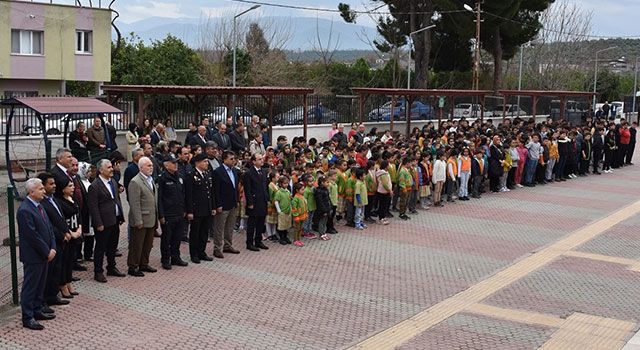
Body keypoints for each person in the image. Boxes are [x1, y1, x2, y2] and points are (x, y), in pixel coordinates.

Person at [17, 178, 57, 330]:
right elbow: (32, 236)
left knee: (40, 285)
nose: (44, 191)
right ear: (31, 192)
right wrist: (47, 251)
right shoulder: (25, 210)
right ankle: (27, 317)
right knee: (30, 286)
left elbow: (48, 228)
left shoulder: (40, 206)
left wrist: (53, 247)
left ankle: (37, 309)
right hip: (34, 256)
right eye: (40, 189)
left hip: (45, 253)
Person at [88, 159, 126, 283]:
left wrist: (120, 215)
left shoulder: (113, 181)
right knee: (100, 247)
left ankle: (111, 267)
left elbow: (117, 199)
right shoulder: (95, 186)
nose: (111, 169)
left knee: (112, 246)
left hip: (114, 220)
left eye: (111, 167)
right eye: (109, 167)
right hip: (103, 223)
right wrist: (98, 223)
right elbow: (93, 207)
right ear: (101, 170)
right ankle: (98, 272)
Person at [36, 173, 70, 308]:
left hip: (61, 241)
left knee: (57, 270)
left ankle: (52, 295)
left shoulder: (53, 199)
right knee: (48, 273)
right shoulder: (41, 203)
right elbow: (49, 225)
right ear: (43, 186)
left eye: (54, 183)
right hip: (52, 242)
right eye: (51, 184)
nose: (54, 186)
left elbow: (60, 218)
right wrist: (61, 235)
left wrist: (67, 231)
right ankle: (44, 300)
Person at [126, 157, 158, 277]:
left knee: (148, 244)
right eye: (148, 166)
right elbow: (134, 203)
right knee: (137, 244)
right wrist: (138, 220)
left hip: (151, 218)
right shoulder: (135, 182)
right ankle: (133, 266)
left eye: (151, 165)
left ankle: (144, 264)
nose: (151, 167)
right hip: (141, 219)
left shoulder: (150, 180)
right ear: (141, 168)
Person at [156, 154, 189, 270]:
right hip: (168, 214)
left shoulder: (179, 177)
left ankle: (176, 257)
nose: (176, 165)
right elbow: (159, 198)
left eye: (176, 162)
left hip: (179, 212)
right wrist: (161, 215)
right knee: (166, 238)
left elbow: (184, 195)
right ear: (166, 165)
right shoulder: (161, 178)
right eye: (173, 163)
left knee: (177, 237)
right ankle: (165, 259)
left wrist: (185, 209)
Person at [54, 177, 82, 298]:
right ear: (63, 189)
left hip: (76, 233)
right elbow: (61, 221)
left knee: (71, 259)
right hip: (67, 235)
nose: (73, 188)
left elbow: (78, 214)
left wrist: (80, 228)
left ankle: (69, 282)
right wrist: (71, 233)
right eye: (70, 186)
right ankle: (63, 284)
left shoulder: (73, 199)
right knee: (64, 261)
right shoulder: (59, 202)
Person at [185, 153, 215, 264]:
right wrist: (190, 211)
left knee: (204, 232)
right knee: (195, 233)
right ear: (197, 162)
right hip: (196, 209)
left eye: (207, 161)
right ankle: (194, 254)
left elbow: (210, 193)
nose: (207, 163)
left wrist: (212, 207)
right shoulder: (191, 175)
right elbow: (189, 195)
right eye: (205, 161)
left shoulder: (206, 174)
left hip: (206, 209)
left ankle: (202, 252)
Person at [212, 151, 241, 258]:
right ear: (224, 159)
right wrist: (218, 205)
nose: (234, 161)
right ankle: (217, 248)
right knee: (219, 227)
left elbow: (235, 188)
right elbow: (216, 190)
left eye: (234, 159)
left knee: (230, 226)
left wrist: (237, 200)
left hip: (232, 203)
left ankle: (228, 245)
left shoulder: (234, 171)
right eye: (231, 159)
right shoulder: (218, 172)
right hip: (222, 204)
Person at [243, 154, 270, 252]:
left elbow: (265, 186)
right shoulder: (248, 173)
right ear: (253, 161)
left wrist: (267, 198)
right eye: (259, 159)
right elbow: (247, 190)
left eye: (262, 159)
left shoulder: (263, 171)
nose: (262, 161)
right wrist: (250, 203)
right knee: (252, 224)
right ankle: (249, 243)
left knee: (260, 223)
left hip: (263, 201)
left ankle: (258, 241)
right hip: (254, 202)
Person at [274, 176, 292, 245]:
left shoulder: (287, 191)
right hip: (282, 212)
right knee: (281, 226)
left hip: (288, 211)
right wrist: (279, 211)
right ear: (281, 184)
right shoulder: (279, 192)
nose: (286, 185)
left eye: (287, 183)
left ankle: (285, 237)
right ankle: (281, 238)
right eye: (284, 183)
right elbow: (276, 201)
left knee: (286, 225)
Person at [376, 161, 392, 225]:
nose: (389, 166)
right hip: (383, 192)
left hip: (386, 192)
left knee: (385, 205)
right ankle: (381, 218)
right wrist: (389, 190)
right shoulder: (382, 173)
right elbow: (385, 184)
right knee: (382, 205)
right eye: (388, 165)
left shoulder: (386, 172)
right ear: (385, 166)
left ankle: (384, 216)